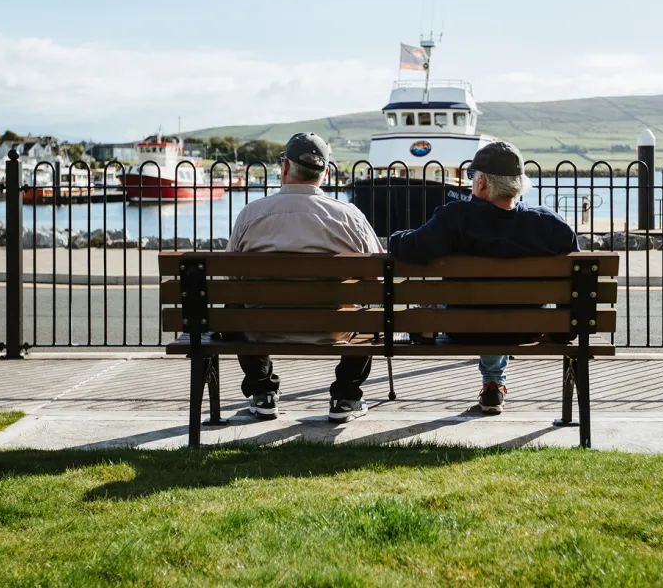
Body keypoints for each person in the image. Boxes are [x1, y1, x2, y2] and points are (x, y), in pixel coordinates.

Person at [388, 141, 577, 414]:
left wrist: (396, 237)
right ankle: (493, 384)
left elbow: (411, 248)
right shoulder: (550, 225)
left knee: (457, 302)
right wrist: (562, 330)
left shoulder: (455, 218)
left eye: (472, 176)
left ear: (483, 183)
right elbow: (576, 281)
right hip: (528, 328)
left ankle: (489, 379)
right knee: (506, 304)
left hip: (462, 327)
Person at [227, 132, 383, 423]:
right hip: (335, 329)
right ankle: (346, 396)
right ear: (324, 173)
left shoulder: (251, 214)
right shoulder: (348, 216)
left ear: (284, 168)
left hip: (260, 328)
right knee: (369, 310)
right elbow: (377, 276)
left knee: (233, 307)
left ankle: (262, 393)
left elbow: (231, 278)